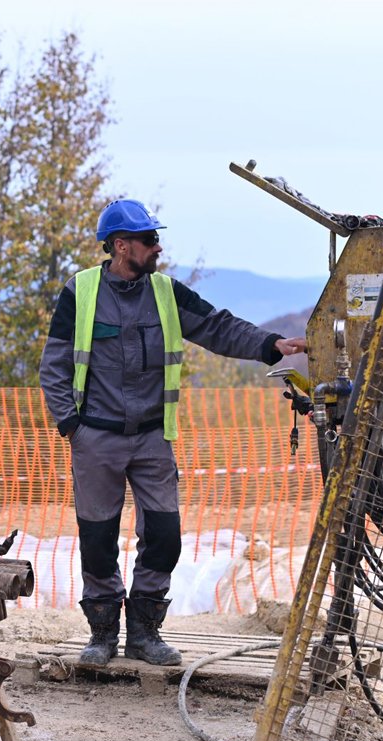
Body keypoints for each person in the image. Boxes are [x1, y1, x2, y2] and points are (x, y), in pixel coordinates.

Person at [38, 200, 306, 668]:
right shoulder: (79, 292)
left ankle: (144, 634)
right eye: (147, 240)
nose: (157, 246)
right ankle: (102, 635)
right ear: (121, 246)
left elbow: (217, 327)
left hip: (152, 438)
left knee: (165, 535)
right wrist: (71, 426)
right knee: (97, 538)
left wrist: (269, 346)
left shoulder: (165, 292)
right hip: (95, 438)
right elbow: (54, 365)